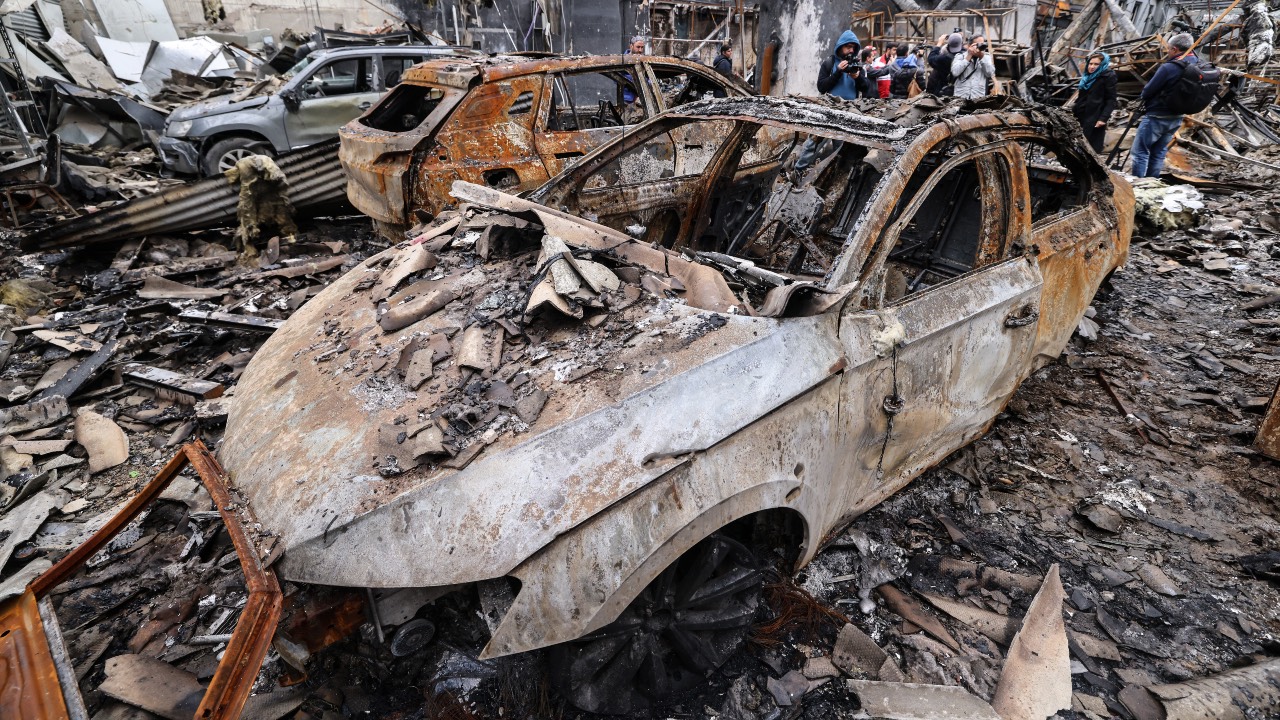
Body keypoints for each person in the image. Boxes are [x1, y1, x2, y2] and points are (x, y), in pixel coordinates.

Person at [795, 29, 866, 178]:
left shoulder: (858, 67)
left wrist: (857, 77)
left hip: (847, 111)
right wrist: (838, 72)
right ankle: (798, 172)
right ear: (840, 47)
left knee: (840, 147)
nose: (850, 50)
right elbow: (821, 87)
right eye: (848, 47)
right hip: (828, 109)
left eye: (853, 47)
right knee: (813, 143)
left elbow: (866, 89)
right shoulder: (829, 63)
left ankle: (834, 177)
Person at [1131, 32, 1197, 178]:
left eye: (1168, 49)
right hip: (1177, 116)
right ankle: (1151, 183)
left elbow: (1148, 90)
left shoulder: (1170, 67)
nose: (1167, 52)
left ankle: (1137, 185)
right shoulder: (1196, 64)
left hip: (1157, 115)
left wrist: (1144, 96)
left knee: (1140, 152)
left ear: (1174, 49)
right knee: (1159, 153)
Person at [1072, 52, 1118, 153]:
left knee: (1090, 149)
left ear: (1102, 65)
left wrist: (1103, 118)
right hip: (1081, 114)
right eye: (1090, 63)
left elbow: (1111, 99)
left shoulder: (1108, 76)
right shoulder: (1087, 77)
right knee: (1076, 147)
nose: (1092, 67)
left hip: (1095, 117)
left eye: (1096, 64)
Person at [950, 35, 995, 99]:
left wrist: (981, 57)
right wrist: (969, 56)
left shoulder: (986, 57)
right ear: (969, 45)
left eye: (982, 44)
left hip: (977, 96)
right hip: (961, 95)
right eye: (978, 44)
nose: (980, 46)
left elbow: (990, 73)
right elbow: (955, 72)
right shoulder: (960, 56)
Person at [622, 35, 645, 122]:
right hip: (625, 103)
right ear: (631, 46)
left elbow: (648, 80)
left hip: (639, 103)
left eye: (642, 47)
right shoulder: (622, 61)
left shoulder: (642, 61)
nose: (640, 50)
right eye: (638, 47)